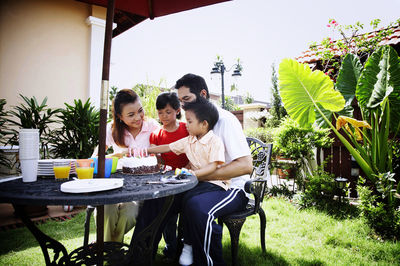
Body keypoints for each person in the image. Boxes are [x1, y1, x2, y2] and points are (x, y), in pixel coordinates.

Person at [133, 73, 253, 266]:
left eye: (186, 99)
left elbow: (246, 166)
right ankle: (138, 258)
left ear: (203, 94)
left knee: (198, 208)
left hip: (231, 188)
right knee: (157, 198)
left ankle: (205, 261)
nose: (182, 107)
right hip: (197, 184)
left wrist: (199, 175)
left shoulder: (226, 120)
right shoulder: (193, 124)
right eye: (180, 101)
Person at [94, 88, 160, 242]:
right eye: (131, 115)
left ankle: (107, 246)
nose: (138, 117)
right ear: (119, 116)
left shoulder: (152, 127)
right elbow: (96, 158)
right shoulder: (112, 129)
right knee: (106, 210)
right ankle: (113, 249)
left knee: (130, 212)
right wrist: (118, 155)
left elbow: (161, 156)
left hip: (142, 186)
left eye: (140, 111)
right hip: (115, 185)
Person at [150, 91, 189, 259]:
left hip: (188, 178)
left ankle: (185, 244)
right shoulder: (156, 134)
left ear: (177, 110)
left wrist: (185, 170)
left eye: (168, 112)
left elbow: (194, 152)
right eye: (160, 112)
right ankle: (171, 246)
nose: (164, 116)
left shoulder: (186, 129)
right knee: (169, 215)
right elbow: (156, 160)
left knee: (187, 213)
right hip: (167, 181)